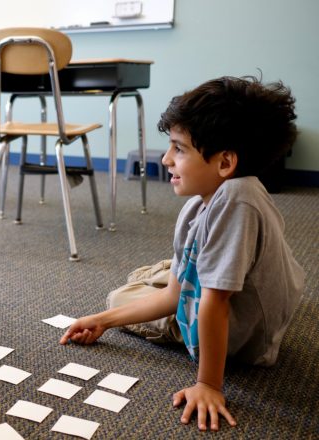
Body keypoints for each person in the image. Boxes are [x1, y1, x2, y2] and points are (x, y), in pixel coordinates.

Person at [60, 76, 305, 431]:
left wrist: (208, 384)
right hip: (221, 298)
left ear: (225, 163)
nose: (166, 159)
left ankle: (163, 270)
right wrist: (101, 321)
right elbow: (175, 295)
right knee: (130, 294)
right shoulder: (199, 206)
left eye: (179, 148)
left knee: (122, 294)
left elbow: (214, 303)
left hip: (241, 339)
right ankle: (165, 269)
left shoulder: (238, 200)